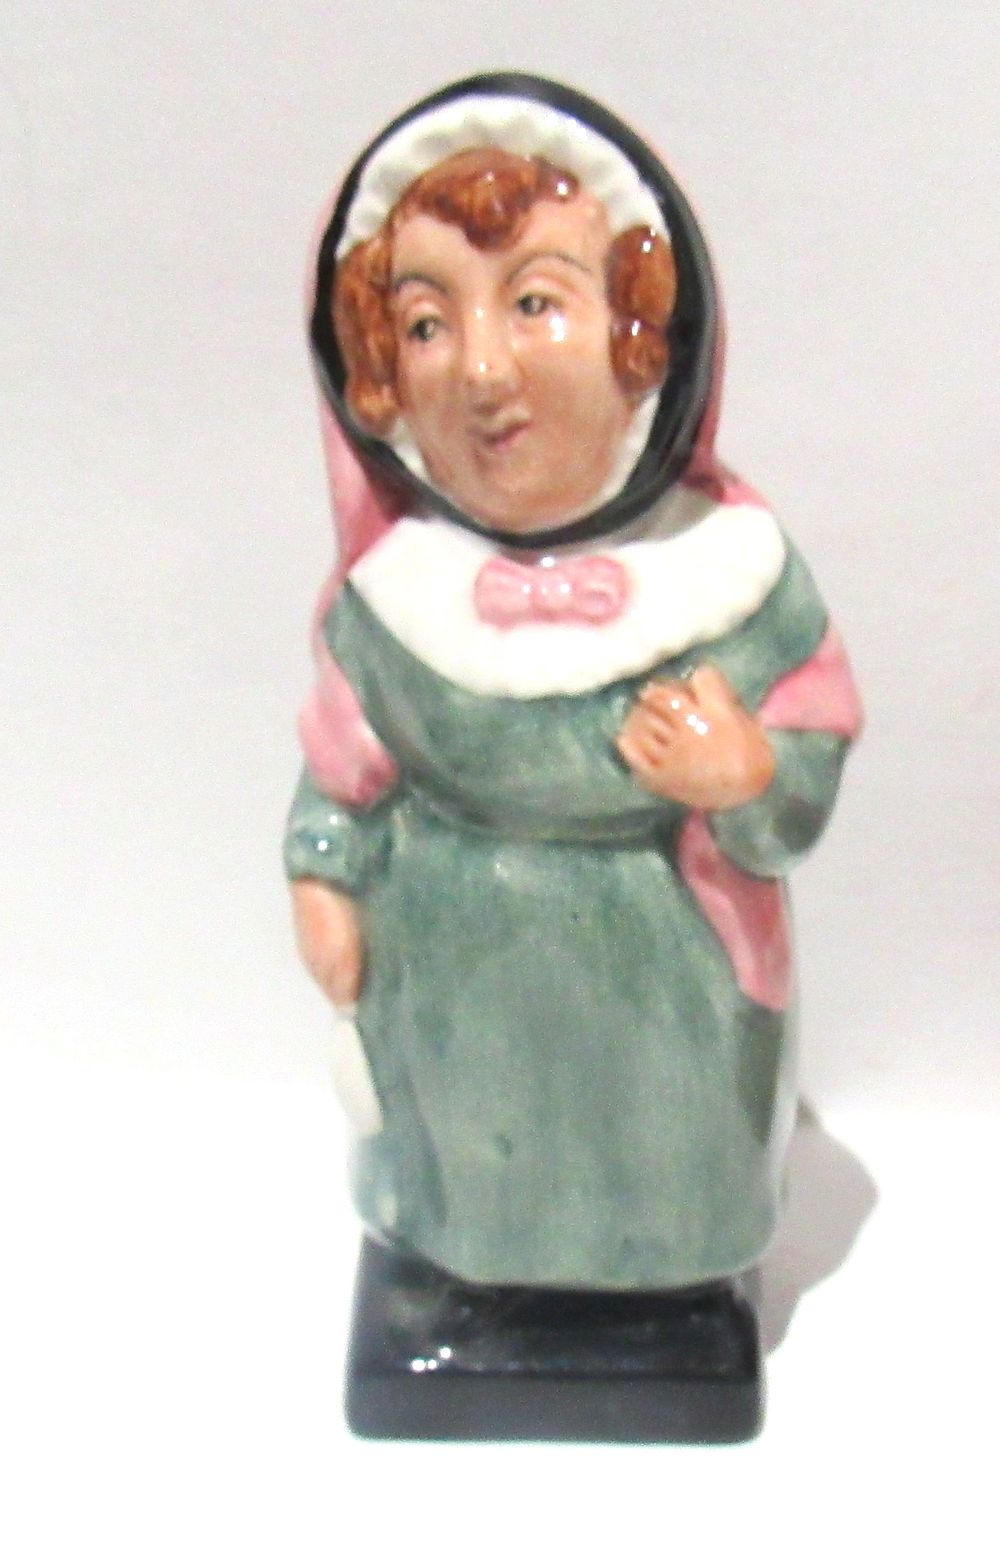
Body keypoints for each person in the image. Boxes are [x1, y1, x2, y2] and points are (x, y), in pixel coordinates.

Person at [285, 78, 861, 1292]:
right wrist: (323, 875)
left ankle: (666, 1289)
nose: (481, 369)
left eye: (535, 302)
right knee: (470, 1182)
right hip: (449, 992)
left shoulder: (731, 577)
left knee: (663, 1167)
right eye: (426, 325)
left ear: (639, 338)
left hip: (668, 992)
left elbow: (799, 781)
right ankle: (473, 1280)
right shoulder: (390, 603)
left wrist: (746, 775)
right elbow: (339, 772)